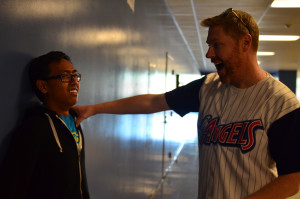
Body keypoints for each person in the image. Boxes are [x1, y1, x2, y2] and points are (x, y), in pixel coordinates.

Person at [72, 8, 300, 199]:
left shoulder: (281, 104)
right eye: (209, 44)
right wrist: (95, 109)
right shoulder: (207, 87)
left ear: (245, 42)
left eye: (217, 45)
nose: (209, 53)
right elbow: (152, 102)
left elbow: (293, 179)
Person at [0, 51, 90, 199]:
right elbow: (13, 187)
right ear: (43, 86)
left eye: (75, 75)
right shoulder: (34, 129)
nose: (75, 81)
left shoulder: (76, 121)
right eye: (65, 76)